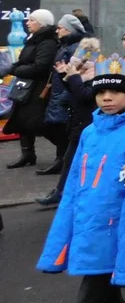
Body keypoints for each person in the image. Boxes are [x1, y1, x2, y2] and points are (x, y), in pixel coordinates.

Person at [36, 52, 125, 303]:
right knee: (108, 302)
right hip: (89, 228)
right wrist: (64, 231)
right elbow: (75, 187)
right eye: (101, 91)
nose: (106, 97)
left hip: (114, 231)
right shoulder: (91, 131)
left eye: (115, 91)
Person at [37, 38, 100, 207]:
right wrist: (62, 74)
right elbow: (73, 92)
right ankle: (62, 192)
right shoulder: (80, 74)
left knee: (75, 160)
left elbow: (84, 96)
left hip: (88, 125)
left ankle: (63, 193)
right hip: (78, 123)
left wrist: (72, 77)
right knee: (70, 160)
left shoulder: (96, 75)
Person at [3, 9, 62, 170]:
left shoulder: (48, 42)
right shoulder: (33, 40)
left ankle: (63, 155)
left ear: (42, 23)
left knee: (38, 122)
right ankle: (27, 154)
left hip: (40, 88)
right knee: (21, 119)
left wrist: (15, 70)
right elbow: (23, 61)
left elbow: (41, 67)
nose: (27, 23)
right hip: (25, 87)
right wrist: (9, 68)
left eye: (32, 20)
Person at [36, 14, 87, 177]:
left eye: (60, 27)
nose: (57, 30)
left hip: (65, 94)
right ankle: (62, 160)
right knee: (55, 127)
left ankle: (64, 161)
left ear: (69, 30)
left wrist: (66, 93)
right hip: (59, 93)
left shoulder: (75, 48)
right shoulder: (65, 45)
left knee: (58, 128)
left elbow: (76, 74)